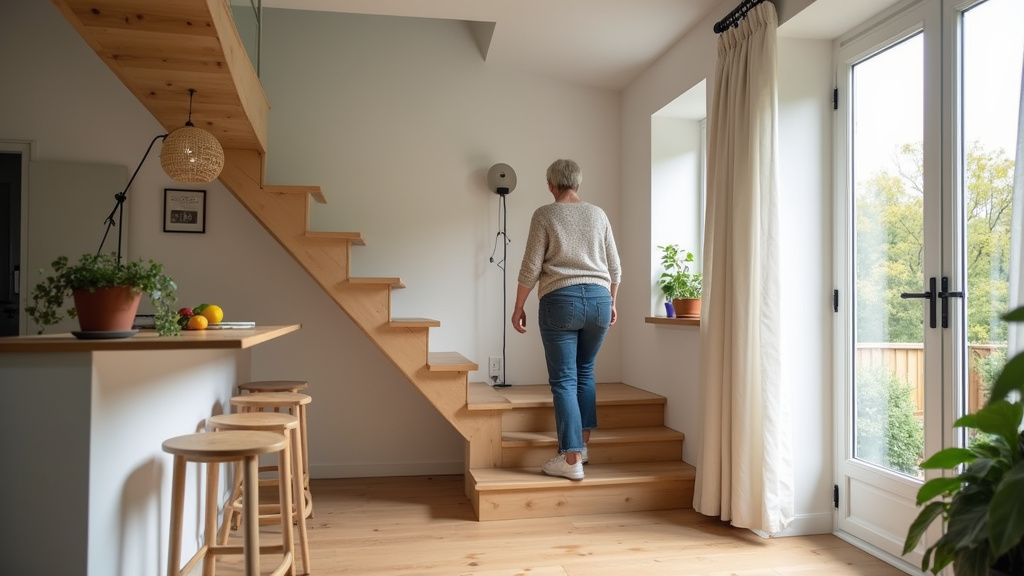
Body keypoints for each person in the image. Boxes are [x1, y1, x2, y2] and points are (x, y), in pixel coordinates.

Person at [512, 159, 620, 480]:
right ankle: (582, 448)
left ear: (551, 185)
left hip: (561, 300)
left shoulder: (545, 214)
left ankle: (570, 459)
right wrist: (612, 302)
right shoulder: (597, 214)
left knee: (564, 380)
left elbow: (531, 267)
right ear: (578, 183)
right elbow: (615, 266)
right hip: (600, 300)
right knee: (584, 371)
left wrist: (518, 307)